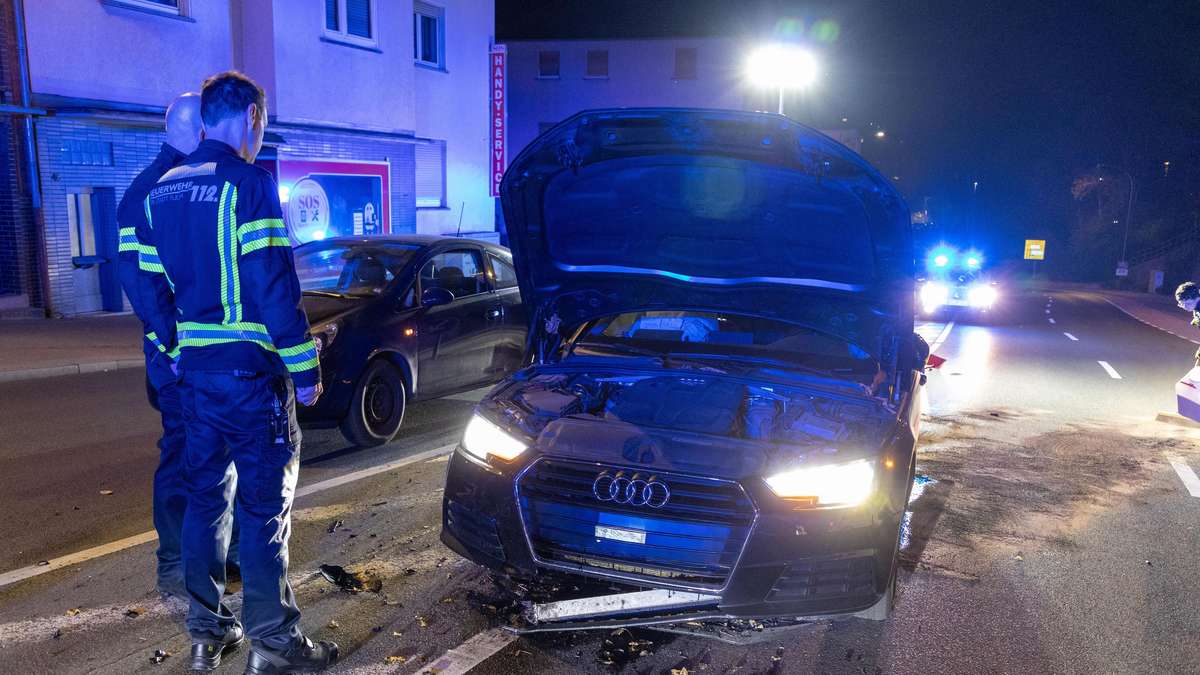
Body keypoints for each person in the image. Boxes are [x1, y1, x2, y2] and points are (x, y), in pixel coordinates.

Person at [133, 71, 336, 674]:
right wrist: (304, 366)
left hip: (196, 381)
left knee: (204, 505)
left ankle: (206, 636)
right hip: (252, 381)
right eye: (263, 124)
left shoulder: (161, 190)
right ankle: (273, 648)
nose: (260, 135)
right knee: (262, 512)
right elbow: (273, 285)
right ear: (250, 116)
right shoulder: (249, 184)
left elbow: (147, 286)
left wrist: (175, 348)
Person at [117, 92, 241, 599]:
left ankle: (213, 559)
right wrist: (174, 347)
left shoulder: (174, 184)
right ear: (196, 133)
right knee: (184, 454)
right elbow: (145, 287)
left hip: (200, 357)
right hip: (179, 362)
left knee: (212, 456)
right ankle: (174, 563)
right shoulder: (152, 191)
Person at [1176, 282, 1200, 364]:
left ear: (1197, 298)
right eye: (1182, 304)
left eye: (1188, 303)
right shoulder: (1196, 304)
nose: (1185, 307)